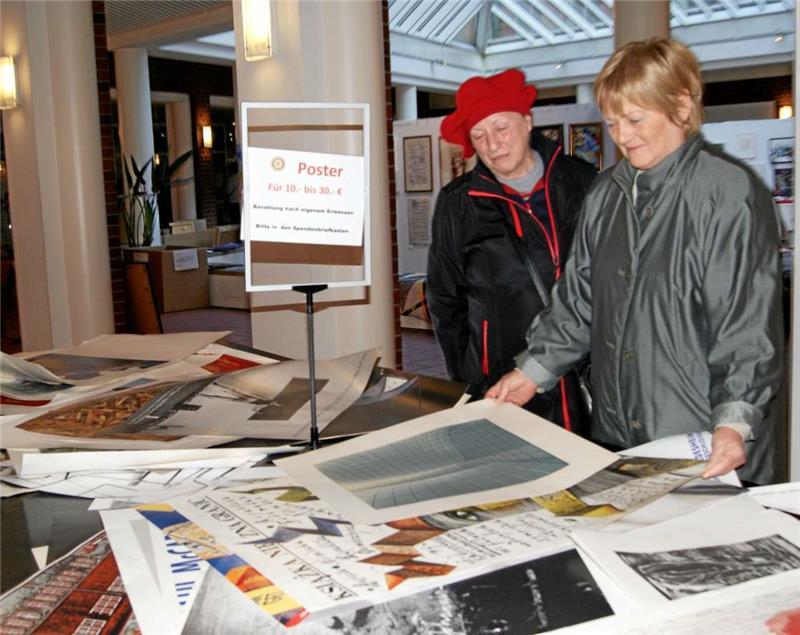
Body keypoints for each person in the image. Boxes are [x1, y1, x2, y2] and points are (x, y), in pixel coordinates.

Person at [487, 38, 784, 484]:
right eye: (611, 123)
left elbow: (745, 326)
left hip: (704, 441)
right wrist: (532, 371)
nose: (623, 136)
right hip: (619, 434)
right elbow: (578, 302)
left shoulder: (726, 192)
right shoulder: (606, 194)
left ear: (681, 106)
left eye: (635, 119)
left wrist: (734, 422)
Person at [426, 69, 596, 433]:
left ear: (527, 122)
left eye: (501, 128)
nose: (492, 144)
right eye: (479, 135)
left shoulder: (581, 182)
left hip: (581, 370)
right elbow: (445, 300)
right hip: (499, 379)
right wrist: (468, 377)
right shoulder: (459, 203)